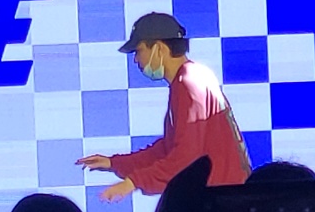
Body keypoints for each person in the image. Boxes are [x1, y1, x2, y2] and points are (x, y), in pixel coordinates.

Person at [78, 11, 249, 199]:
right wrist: (115, 163)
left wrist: (132, 183)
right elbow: (168, 149)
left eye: (139, 50)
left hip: (222, 201)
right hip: (223, 197)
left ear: (159, 48)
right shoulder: (192, 77)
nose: (135, 59)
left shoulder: (189, 83)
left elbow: (186, 158)